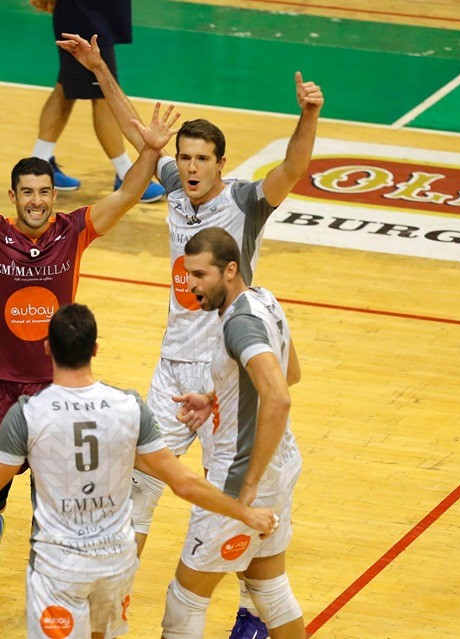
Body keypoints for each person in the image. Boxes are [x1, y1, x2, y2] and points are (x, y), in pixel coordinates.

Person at [58, 32, 322, 637]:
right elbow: (137, 131)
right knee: (140, 486)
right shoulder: (175, 188)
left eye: (203, 159)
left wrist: (307, 116)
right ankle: (111, 605)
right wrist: (98, 68)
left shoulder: (247, 202)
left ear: (222, 163)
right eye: (186, 157)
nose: (192, 167)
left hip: (230, 369)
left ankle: (246, 603)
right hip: (176, 369)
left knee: (238, 488)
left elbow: (293, 168)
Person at [0, 88, 179, 585]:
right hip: (1, 381)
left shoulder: (75, 231)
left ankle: (51, 561)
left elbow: (128, 195)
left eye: (44, 192)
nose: (36, 201)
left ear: (54, 196)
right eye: (27, 192)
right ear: (13, 196)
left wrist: (150, 150)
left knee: (54, 487)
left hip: (55, 386)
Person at [0, 303, 278, 639]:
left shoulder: (28, 415)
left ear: (47, 348)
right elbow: (185, 484)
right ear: (95, 349)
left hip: (59, 569)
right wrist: (245, 513)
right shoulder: (130, 407)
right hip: (114, 563)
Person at [163, 227, 304, 639]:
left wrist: (250, 483)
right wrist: (218, 396)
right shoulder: (264, 299)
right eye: (187, 274)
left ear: (229, 270)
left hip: (241, 477)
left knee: (185, 598)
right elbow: (291, 371)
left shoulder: (238, 324)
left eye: (200, 275)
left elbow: (279, 397)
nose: (191, 285)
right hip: (284, 462)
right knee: (269, 588)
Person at [29, 0, 165, 202]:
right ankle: (126, 174)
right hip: (84, 11)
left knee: (66, 86)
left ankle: (39, 164)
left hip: (97, 9)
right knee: (104, 93)